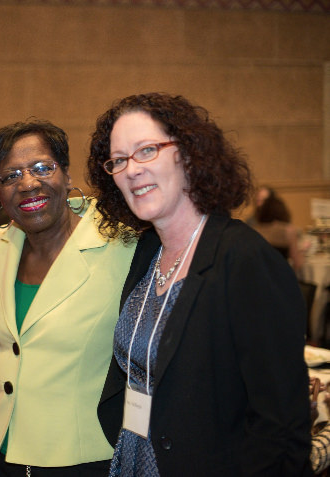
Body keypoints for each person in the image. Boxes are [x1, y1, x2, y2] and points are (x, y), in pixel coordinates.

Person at [87, 92, 311, 476]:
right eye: (119, 160)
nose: (131, 170)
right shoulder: (147, 251)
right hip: (134, 459)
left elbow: (281, 429)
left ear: (188, 154)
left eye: (146, 151)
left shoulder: (245, 261)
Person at [0, 119, 136, 476]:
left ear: (67, 176)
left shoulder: (122, 245)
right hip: (1, 455)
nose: (28, 183)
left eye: (42, 168)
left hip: (82, 459)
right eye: (10, 176)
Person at [252, 191, 304, 274]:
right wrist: (302, 250)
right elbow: (298, 263)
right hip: (281, 277)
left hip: (258, 279)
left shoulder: (254, 230)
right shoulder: (288, 230)